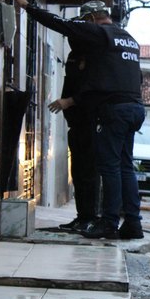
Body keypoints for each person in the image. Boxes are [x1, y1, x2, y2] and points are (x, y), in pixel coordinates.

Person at [11, 0, 145, 239]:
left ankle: (108, 223)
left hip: (114, 111)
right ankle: (133, 224)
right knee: (126, 167)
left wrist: (27, 6)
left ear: (92, 19)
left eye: (85, 22)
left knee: (110, 168)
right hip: (135, 108)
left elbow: (61, 24)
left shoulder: (99, 33)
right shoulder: (128, 39)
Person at [52, 43, 101, 233]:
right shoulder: (74, 55)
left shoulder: (95, 55)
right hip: (76, 123)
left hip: (91, 122)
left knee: (90, 173)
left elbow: (92, 91)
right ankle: (82, 216)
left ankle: (91, 217)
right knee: (78, 173)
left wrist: (69, 102)